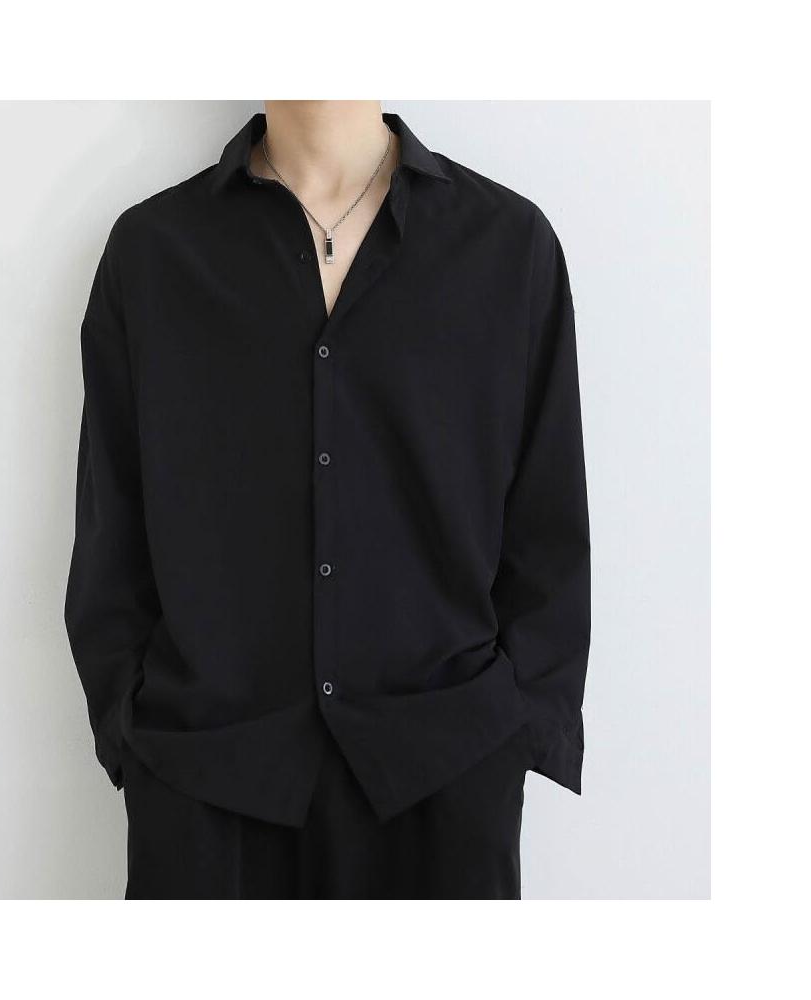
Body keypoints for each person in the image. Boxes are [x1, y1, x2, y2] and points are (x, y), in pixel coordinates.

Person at [64, 100, 590, 899]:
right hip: (204, 776)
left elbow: (548, 526)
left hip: (443, 774)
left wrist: (514, 732)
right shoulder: (154, 253)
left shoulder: (507, 246)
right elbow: (112, 525)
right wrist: (131, 734)